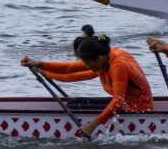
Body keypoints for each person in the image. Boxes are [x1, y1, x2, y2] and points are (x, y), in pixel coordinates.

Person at [22, 32, 154, 137]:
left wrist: (92, 125)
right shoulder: (103, 57)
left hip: (138, 110)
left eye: (87, 62)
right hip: (125, 104)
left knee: (74, 105)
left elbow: (118, 101)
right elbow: (69, 68)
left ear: (99, 59)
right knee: (73, 103)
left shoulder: (117, 66)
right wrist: (39, 64)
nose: (86, 66)